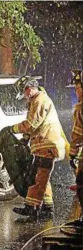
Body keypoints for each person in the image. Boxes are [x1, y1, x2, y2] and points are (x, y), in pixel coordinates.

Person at [6, 76, 67, 218]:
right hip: (44, 145)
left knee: (38, 177)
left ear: (30, 88)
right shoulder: (36, 100)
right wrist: (26, 138)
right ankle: (47, 207)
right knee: (43, 176)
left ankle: (32, 207)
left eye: (25, 91)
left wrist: (12, 129)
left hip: (47, 145)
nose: (25, 96)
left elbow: (31, 124)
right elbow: (35, 126)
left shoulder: (40, 100)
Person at [67, 69, 83, 222]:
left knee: (81, 183)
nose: (77, 92)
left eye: (77, 88)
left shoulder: (80, 107)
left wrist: (72, 154)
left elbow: (78, 135)